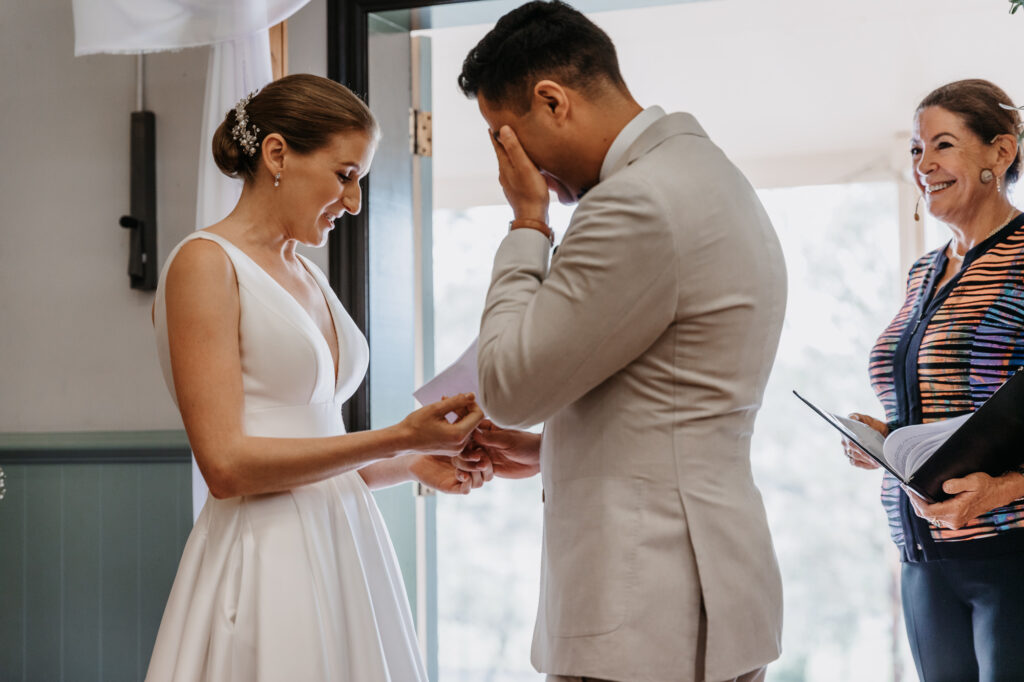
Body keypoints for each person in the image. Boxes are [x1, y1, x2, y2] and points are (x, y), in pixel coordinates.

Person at [453, 3, 786, 681]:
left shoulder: (634, 203)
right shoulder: (712, 176)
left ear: (553, 102)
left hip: (642, 611)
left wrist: (527, 224)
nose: (513, 163)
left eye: (504, 137)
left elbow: (509, 388)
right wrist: (555, 448)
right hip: (707, 591)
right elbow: (676, 398)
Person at [145, 74, 488, 682]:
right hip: (265, 557)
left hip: (348, 545)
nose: (354, 203)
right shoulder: (205, 264)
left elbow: (315, 454)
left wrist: (412, 462)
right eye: (345, 174)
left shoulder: (307, 274)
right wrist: (401, 439)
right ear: (277, 154)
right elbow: (226, 466)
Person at [842, 78, 1024, 681]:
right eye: (917, 151)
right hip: (921, 559)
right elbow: (956, 405)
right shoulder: (925, 271)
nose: (925, 165)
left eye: (942, 145)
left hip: (1010, 556)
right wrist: (889, 437)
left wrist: (999, 491)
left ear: (1000, 153)